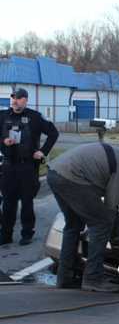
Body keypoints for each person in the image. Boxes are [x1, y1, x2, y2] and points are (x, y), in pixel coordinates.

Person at [47, 143, 119, 293]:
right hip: (72, 177)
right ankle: (92, 279)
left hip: (55, 173)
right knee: (101, 224)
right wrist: (114, 236)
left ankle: (64, 278)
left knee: (73, 225)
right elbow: (111, 204)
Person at [0, 88, 59, 245]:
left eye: (18, 98)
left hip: (27, 166)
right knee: (8, 202)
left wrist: (42, 152)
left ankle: (27, 234)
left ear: (25, 100)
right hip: (8, 166)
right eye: (13, 98)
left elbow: (53, 133)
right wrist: (3, 142)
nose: (15, 101)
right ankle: (5, 235)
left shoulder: (34, 117)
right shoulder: (3, 116)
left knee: (27, 201)